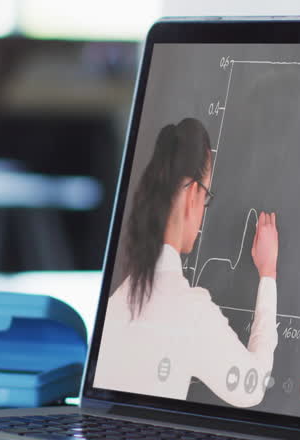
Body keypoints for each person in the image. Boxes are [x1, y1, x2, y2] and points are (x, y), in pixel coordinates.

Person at [95, 117, 279, 407]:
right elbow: (251, 387)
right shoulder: (189, 311)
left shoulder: (118, 302)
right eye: (207, 197)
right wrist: (268, 274)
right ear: (193, 194)